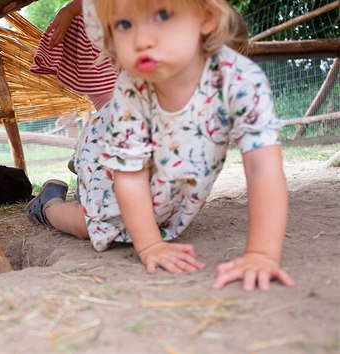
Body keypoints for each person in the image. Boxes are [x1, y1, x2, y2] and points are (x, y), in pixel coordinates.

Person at [27, 0, 295, 291]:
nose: (141, 39)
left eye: (163, 15)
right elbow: (130, 176)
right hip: (105, 148)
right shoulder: (133, 91)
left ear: (205, 20)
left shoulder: (242, 81)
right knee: (94, 227)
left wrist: (261, 254)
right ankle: (49, 204)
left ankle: (85, 185)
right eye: (124, 25)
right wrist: (150, 245)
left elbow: (262, 167)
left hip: (161, 169)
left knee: (150, 215)